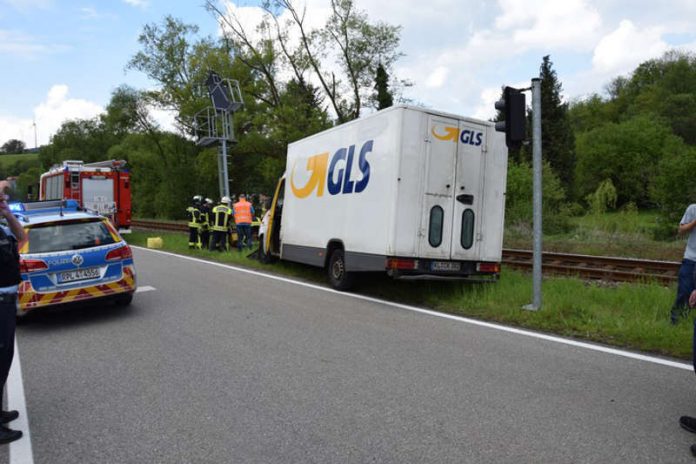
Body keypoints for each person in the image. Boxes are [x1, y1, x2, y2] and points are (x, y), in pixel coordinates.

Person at [0, 183, 24, 444]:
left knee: (4, 358)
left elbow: (21, 236)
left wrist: (7, 213)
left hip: (7, 300)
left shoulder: (3, 228)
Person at [671, 204, 696, 324]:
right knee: (685, 291)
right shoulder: (693, 209)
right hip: (691, 258)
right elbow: (681, 230)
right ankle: (677, 321)